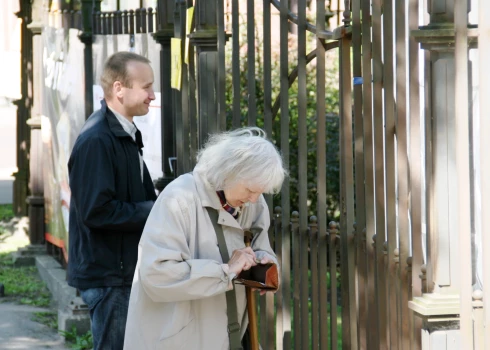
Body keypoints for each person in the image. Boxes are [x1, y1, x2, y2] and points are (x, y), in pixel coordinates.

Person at [124, 127, 287, 350]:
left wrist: (266, 266)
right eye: (250, 190)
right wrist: (225, 270)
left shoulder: (252, 204)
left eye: (261, 192)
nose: (254, 199)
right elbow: (156, 274)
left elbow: (260, 248)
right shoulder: (179, 198)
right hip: (178, 340)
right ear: (229, 171)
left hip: (228, 334)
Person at [67, 51, 157, 350]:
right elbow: (97, 211)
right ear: (119, 88)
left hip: (118, 272)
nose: (152, 95)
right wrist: (154, 210)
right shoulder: (98, 139)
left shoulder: (120, 132)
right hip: (109, 276)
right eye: (146, 87)